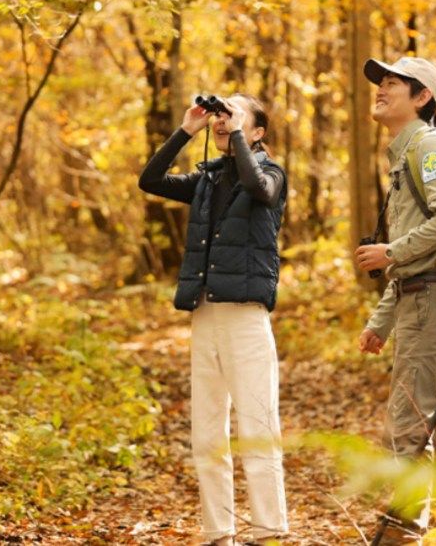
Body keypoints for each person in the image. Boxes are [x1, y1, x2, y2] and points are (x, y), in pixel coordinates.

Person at [139, 94, 288, 546]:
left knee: (257, 428)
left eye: (235, 115)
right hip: (205, 314)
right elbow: (150, 180)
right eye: (222, 115)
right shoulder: (206, 179)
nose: (223, 122)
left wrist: (237, 131)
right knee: (207, 433)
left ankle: (268, 532)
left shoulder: (272, 173)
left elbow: (259, 188)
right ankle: (218, 532)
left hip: (246, 318)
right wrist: (187, 129)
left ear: (257, 131)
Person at [354, 57, 436, 541]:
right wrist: (381, 320)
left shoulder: (429, 148)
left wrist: (391, 251)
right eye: (379, 84)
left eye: (391, 84)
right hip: (419, 300)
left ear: (423, 97)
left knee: (410, 422)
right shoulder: (406, 155)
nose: (380, 91)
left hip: (432, 303)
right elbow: (416, 253)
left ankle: (400, 532)